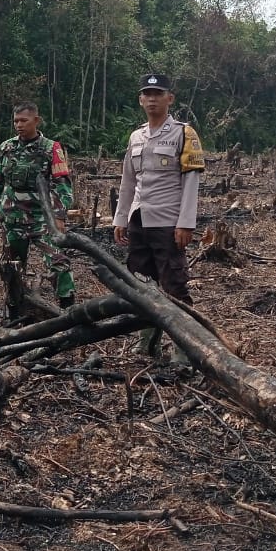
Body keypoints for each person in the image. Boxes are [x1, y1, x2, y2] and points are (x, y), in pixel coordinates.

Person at [113, 73, 206, 361]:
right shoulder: (136, 136)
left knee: (174, 284)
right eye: (147, 94)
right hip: (140, 219)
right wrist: (120, 217)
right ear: (141, 100)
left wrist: (186, 222)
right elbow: (129, 180)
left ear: (170, 98)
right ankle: (147, 345)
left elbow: (191, 181)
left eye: (158, 93)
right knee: (143, 284)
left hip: (169, 221)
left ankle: (184, 350)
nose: (152, 99)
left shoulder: (183, 133)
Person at [0, 102, 76, 308]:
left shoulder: (52, 148)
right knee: (12, 266)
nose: (19, 125)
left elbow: (63, 185)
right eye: (16, 121)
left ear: (36, 120)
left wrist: (59, 216)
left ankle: (68, 307)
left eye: (24, 120)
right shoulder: (6, 147)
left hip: (42, 219)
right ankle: (15, 309)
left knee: (59, 262)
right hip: (11, 218)